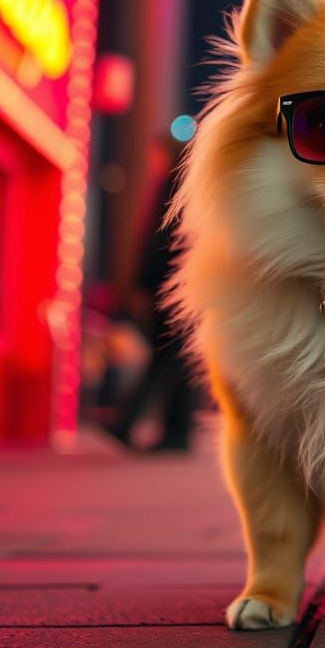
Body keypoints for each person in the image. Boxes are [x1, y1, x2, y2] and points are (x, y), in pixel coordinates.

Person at [105, 139, 196, 451]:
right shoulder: (186, 186)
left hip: (170, 287)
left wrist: (143, 284)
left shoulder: (173, 186)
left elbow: (161, 241)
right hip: (182, 286)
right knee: (176, 359)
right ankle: (174, 432)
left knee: (168, 356)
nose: (151, 160)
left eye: (155, 153)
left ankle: (134, 424)